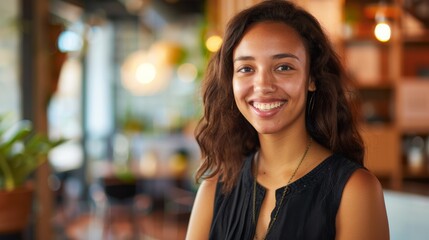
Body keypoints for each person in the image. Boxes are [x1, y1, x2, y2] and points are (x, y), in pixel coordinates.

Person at [186, 1, 390, 239]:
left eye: (283, 67)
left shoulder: (355, 190)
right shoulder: (213, 190)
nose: (263, 85)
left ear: (312, 78)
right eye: (246, 69)